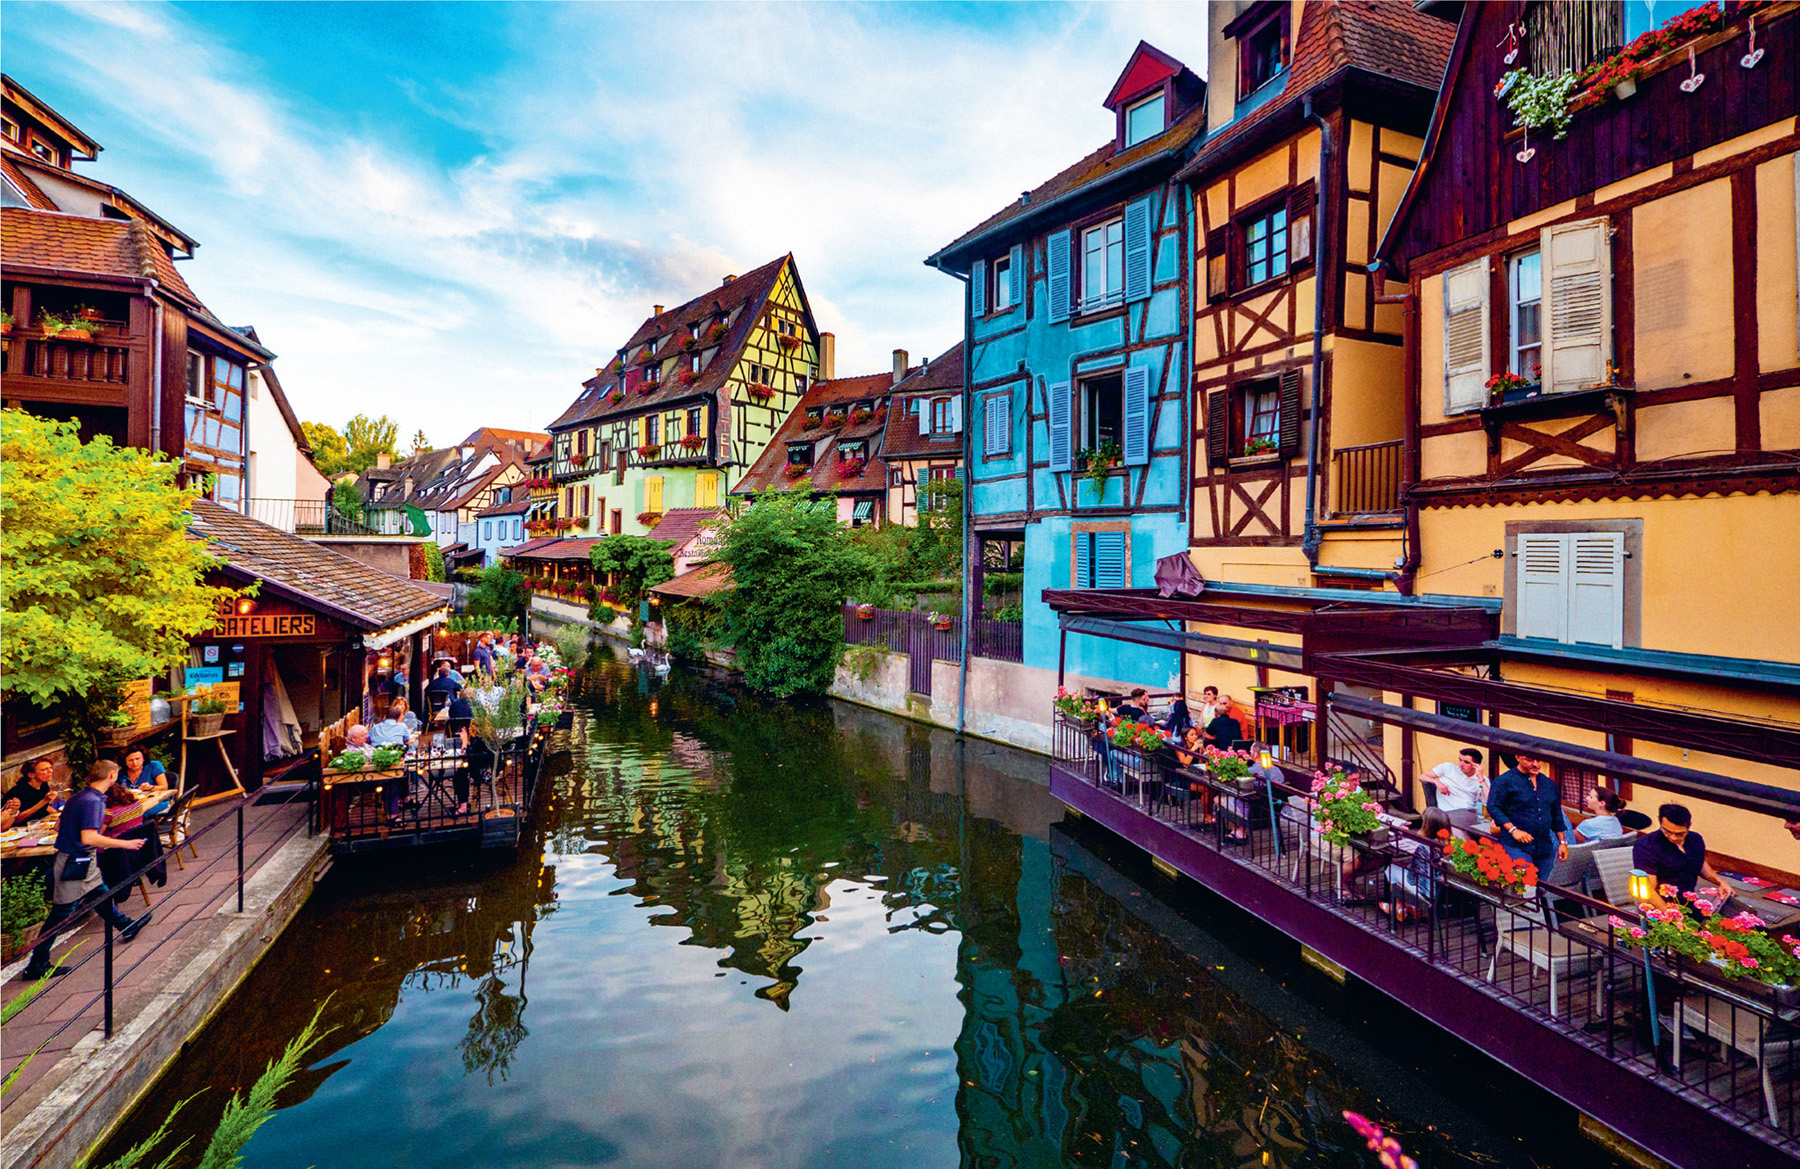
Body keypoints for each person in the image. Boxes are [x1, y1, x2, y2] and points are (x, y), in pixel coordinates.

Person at [20, 761, 152, 980]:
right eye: (117, 775)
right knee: (61, 913)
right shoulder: (94, 802)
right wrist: (126, 844)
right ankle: (37, 964)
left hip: (78, 858)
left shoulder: (80, 797)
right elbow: (89, 837)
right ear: (111, 775)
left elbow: (58, 827)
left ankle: (126, 925)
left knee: (100, 894)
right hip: (76, 860)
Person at [1632, 803, 1730, 911]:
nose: (1673, 837)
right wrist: (1672, 917)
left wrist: (1721, 883)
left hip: (1688, 903)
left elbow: (1699, 863)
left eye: (1679, 834)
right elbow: (1648, 890)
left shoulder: (1695, 839)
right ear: (1659, 821)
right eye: (1667, 831)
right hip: (1660, 907)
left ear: (1689, 825)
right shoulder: (1646, 845)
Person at [1485, 754, 1569, 877]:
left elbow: (1556, 814)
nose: (1536, 764)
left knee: (1544, 886)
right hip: (1516, 846)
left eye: (1539, 760)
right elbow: (1493, 807)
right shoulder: (1504, 781)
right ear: (1518, 757)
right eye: (1529, 760)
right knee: (1524, 885)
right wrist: (1514, 830)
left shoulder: (1548, 784)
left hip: (1544, 847)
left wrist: (1562, 842)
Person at [1380, 808, 1453, 923]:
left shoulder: (1424, 848)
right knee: (1405, 867)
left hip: (1429, 892)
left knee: (1392, 869)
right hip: (1445, 892)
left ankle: (1399, 906)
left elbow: (1412, 878)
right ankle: (1410, 906)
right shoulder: (1451, 846)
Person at [1424, 748, 1488, 813]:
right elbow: (1422, 777)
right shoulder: (1448, 768)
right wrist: (1436, 782)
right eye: (1460, 760)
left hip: (1469, 812)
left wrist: (1480, 778)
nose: (1461, 764)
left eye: (1466, 762)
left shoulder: (1482, 780)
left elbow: (1489, 800)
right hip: (1447, 813)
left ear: (1476, 766)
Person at [5, 756, 58, 824]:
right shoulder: (20, 791)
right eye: (44, 770)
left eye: (50, 768)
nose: (50, 771)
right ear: (31, 775)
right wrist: (45, 801)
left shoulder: (43, 785)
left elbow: (45, 807)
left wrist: (60, 815)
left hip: (40, 822)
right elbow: (17, 819)